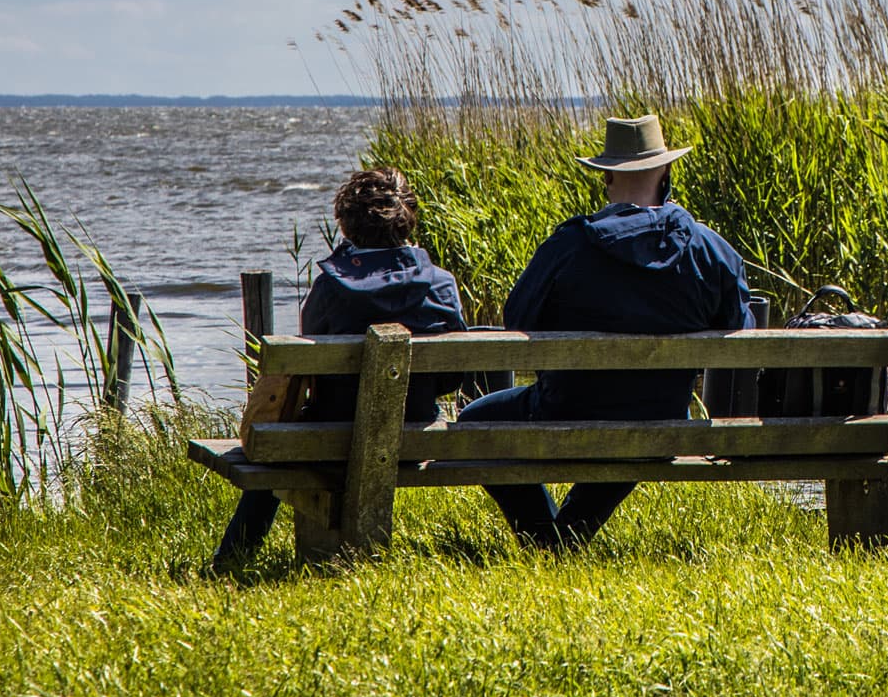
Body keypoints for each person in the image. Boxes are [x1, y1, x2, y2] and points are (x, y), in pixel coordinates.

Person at [458, 113, 752, 547]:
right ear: (667, 170)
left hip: (565, 411)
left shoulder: (571, 244)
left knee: (472, 422)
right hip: (663, 423)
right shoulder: (712, 251)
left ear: (607, 177)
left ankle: (546, 537)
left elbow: (516, 321)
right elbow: (740, 335)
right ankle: (570, 533)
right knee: (636, 419)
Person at [212, 167, 468, 569]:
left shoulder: (331, 287)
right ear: (408, 219)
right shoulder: (440, 283)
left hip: (333, 436)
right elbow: (454, 376)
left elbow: (310, 370)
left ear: (346, 226)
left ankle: (232, 560)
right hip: (414, 434)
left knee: (280, 445)